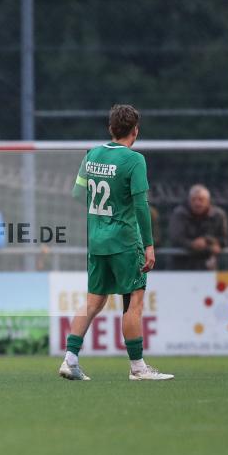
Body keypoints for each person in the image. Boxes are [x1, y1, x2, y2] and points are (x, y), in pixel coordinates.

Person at [57, 104, 173, 381]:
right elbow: (141, 206)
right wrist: (149, 245)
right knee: (134, 302)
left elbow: (77, 194)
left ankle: (70, 360)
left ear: (110, 128)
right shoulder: (134, 160)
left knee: (93, 303)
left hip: (97, 242)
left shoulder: (92, 155)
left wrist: (101, 215)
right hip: (124, 241)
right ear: (136, 131)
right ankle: (138, 368)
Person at [167, 184, 228, 270]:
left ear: (208, 201)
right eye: (193, 199)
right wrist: (193, 244)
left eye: (201, 199)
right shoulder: (179, 214)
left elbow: (224, 240)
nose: (197, 203)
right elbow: (176, 238)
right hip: (182, 266)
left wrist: (206, 241)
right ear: (189, 201)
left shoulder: (218, 215)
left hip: (209, 266)